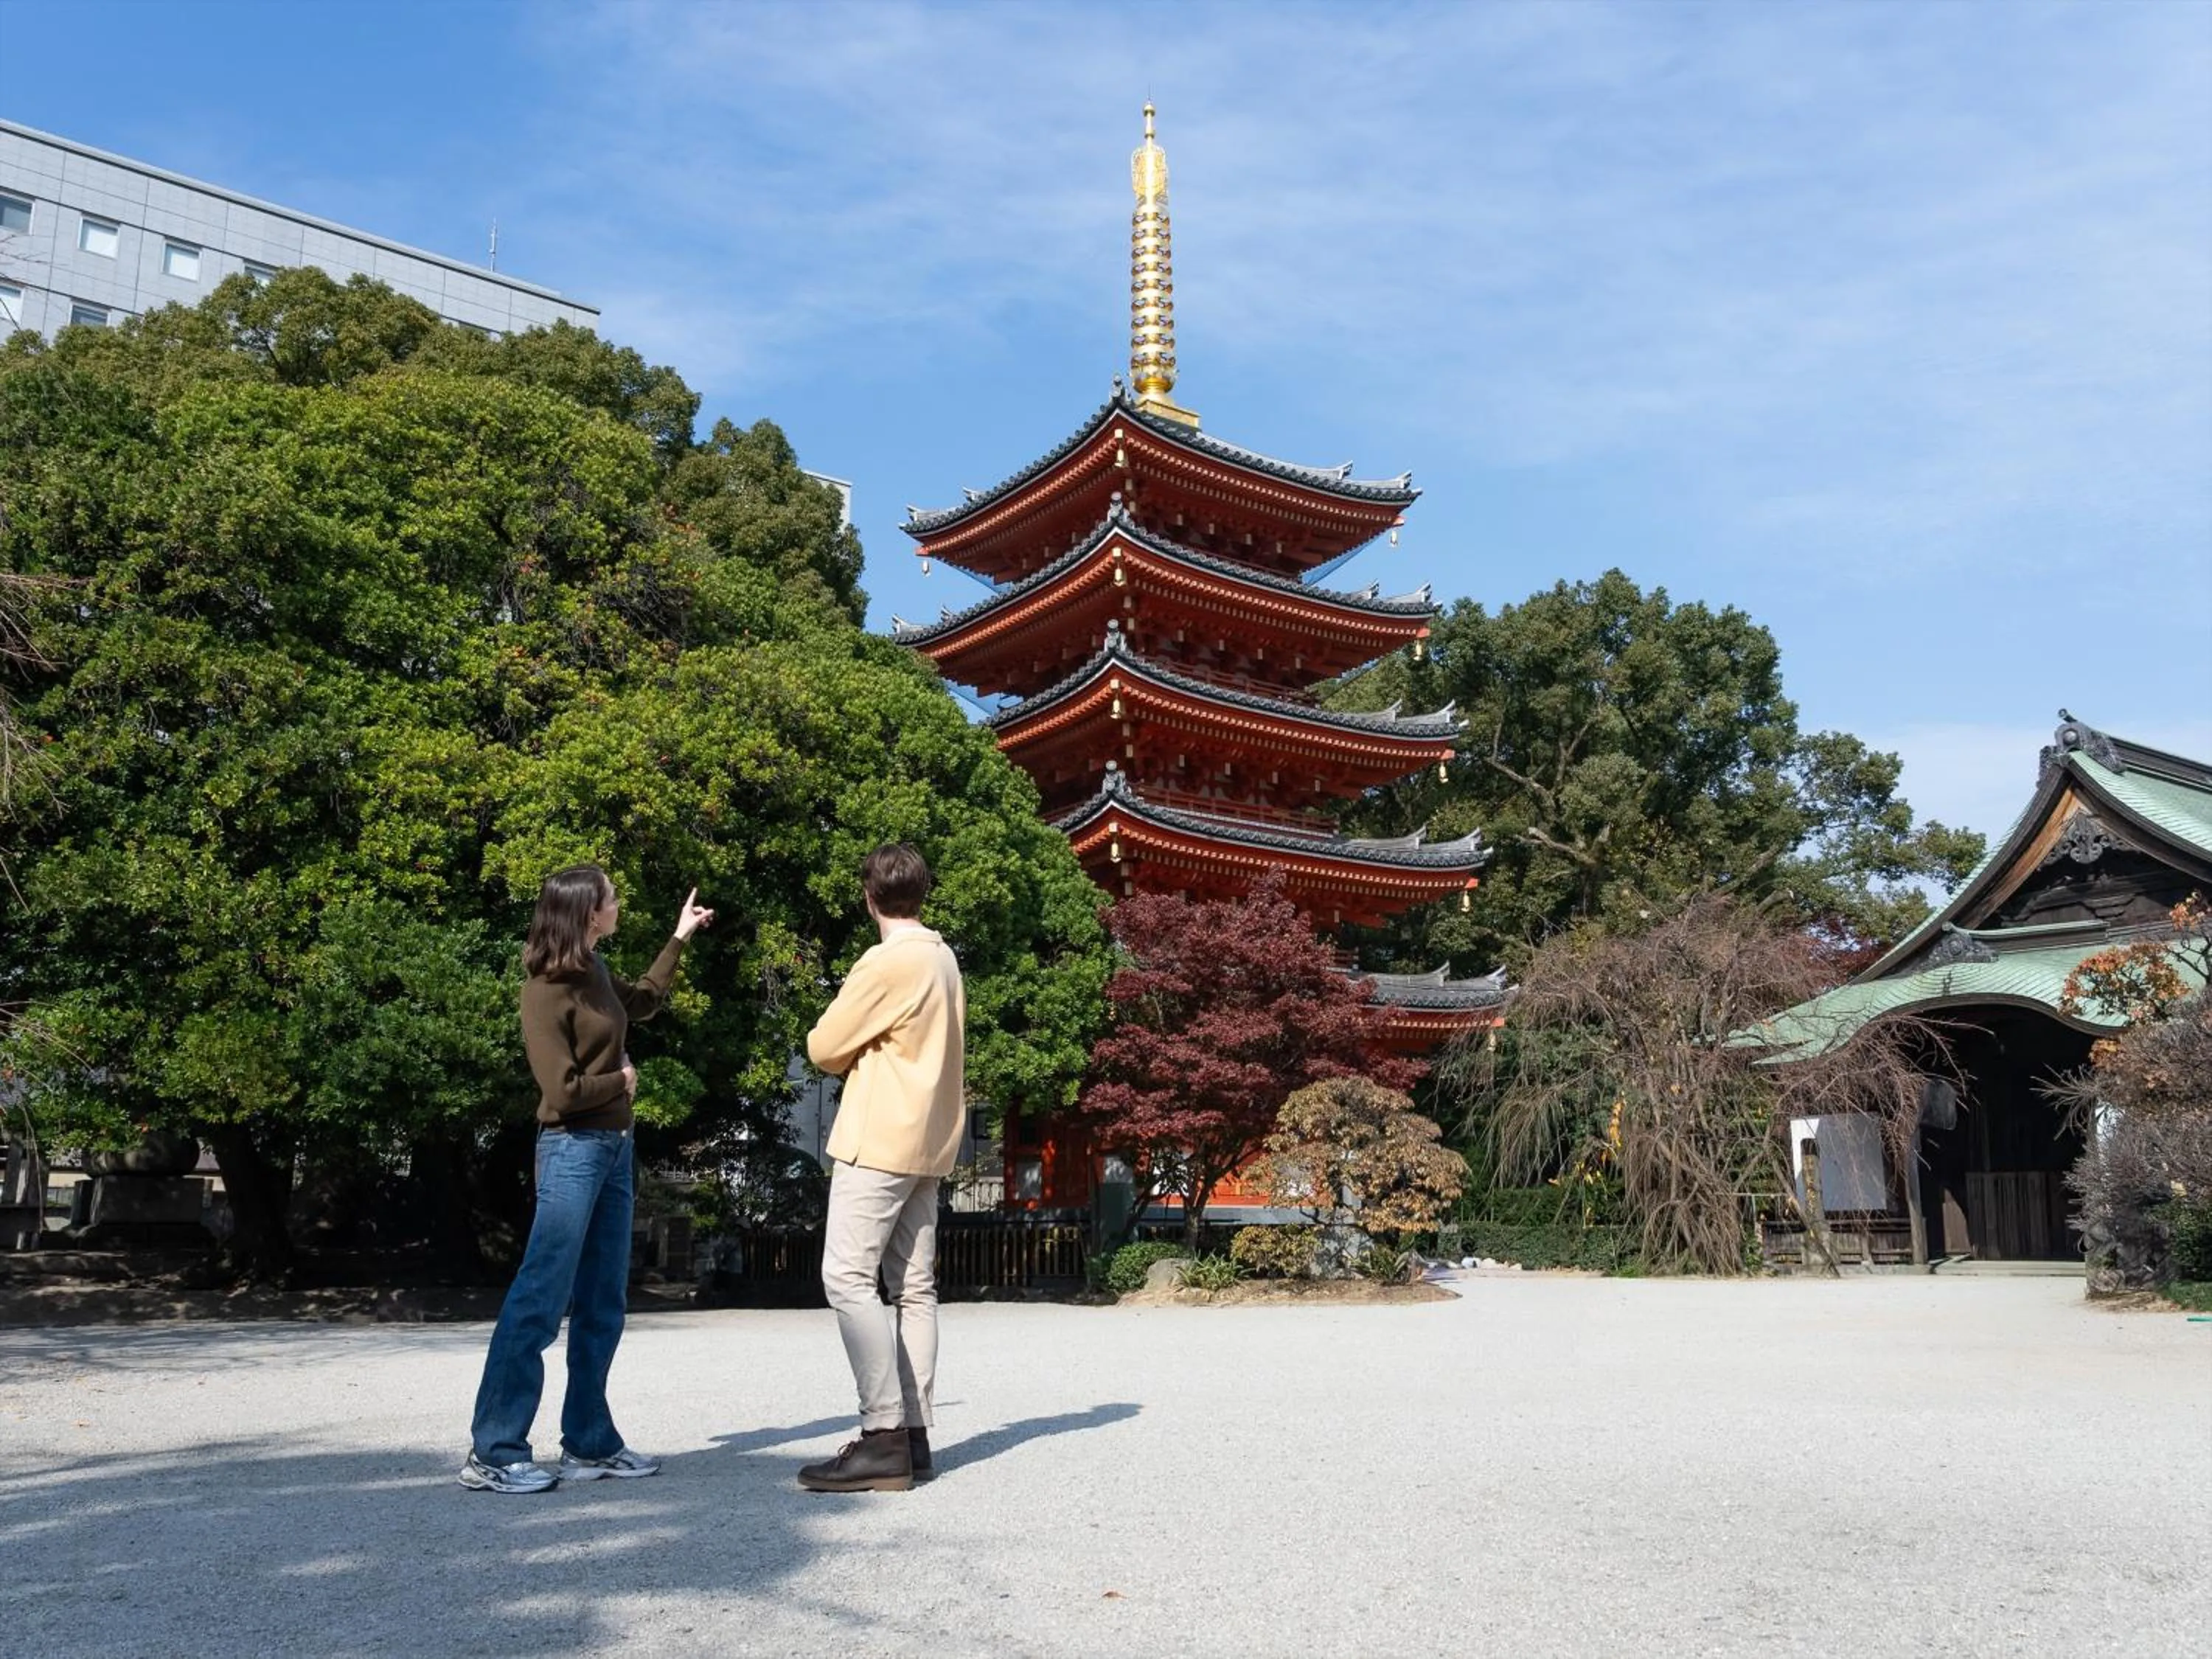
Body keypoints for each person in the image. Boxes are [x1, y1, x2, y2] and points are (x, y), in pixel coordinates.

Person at [459, 866, 714, 1495]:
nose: (618, 904)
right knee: (540, 1297)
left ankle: (590, 1443)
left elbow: (642, 1003)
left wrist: (679, 937)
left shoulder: (595, 971)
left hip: (615, 1150)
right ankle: (494, 1450)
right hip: (571, 1149)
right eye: (611, 898)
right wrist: (620, 1082)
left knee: (603, 1302)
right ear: (587, 912)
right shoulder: (545, 990)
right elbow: (563, 1090)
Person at [799, 844, 967, 1493]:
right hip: (930, 1139)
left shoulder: (885, 961)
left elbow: (823, 1046)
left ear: (869, 897)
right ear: (922, 892)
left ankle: (882, 1433)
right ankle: (915, 1434)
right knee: (915, 1288)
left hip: (878, 1139)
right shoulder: (944, 958)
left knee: (846, 1277)